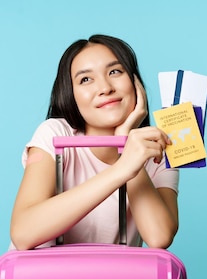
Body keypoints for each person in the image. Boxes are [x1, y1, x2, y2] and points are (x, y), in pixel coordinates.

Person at [9, 34, 179, 251]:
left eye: (115, 71)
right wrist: (123, 168)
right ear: (71, 95)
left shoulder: (158, 150)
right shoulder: (55, 135)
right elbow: (23, 233)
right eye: (86, 79)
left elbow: (159, 237)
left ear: (136, 82)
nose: (105, 87)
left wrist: (125, 144)